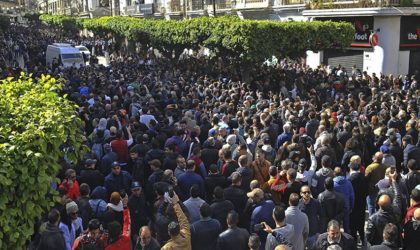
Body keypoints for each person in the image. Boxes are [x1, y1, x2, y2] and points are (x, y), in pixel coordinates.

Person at [347, 162, 368, 244]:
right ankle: (362, 238)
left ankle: (354, 240)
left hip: (353, 205)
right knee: (361, 221)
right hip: (362, 204)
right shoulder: (364, 178)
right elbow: (367, 192)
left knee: (353, 223)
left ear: (351, 169)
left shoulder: (350, 179)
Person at [298, 185, 322, 250]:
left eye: (308, 192)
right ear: (301, 194)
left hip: (313, 234)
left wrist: (319, 231)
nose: (307, 194)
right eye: (304, 192)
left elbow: (322, 217)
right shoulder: (298, 204)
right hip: (302, 235)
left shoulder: (316, 203)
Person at [332, 167, 354, 233]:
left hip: (336, 208)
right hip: (346, 207)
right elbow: (352, 196)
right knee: (346, 226)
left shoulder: (332, 183)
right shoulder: (348, 183)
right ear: (342, 173)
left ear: (334, 173)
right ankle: (347, 241)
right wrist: (351, 206)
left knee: (336, 226)